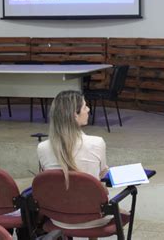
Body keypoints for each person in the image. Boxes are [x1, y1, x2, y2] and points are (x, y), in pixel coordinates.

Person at [37, 90, 111, 233]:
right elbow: (102, 174)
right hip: (93, 217)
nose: (88, 109)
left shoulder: (42, 147)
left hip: (58, 218)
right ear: (74, 115)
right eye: (84, 107)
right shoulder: (97, 143)